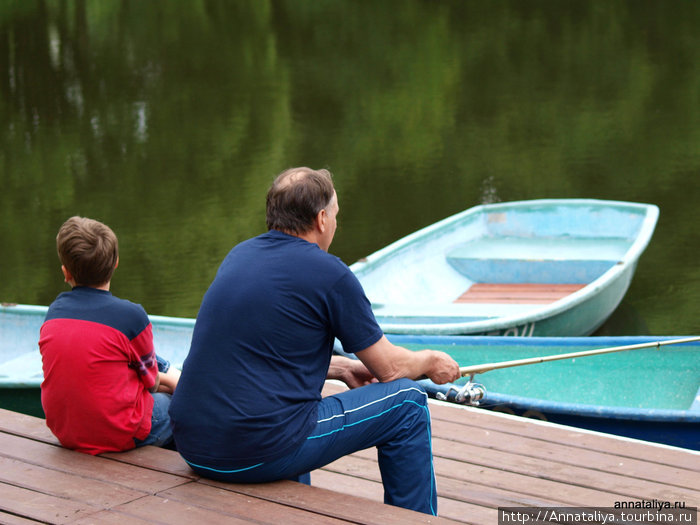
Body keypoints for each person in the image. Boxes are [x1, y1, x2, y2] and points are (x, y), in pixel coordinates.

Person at [169, 167, 460, 515]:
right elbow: (392, 370)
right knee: (407, 404)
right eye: (336, 214)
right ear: (321, 219)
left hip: (194, 447)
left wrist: (339, 368)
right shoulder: (330, 273)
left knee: (292, 406)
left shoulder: (240, 255)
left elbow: (259, 353)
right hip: (254, 453)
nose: (336, 223)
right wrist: (430, 361)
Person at [39, 216, 180, 455]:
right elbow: (152, 383)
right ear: (115, 264)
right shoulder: (132, 316)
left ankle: (175, 377)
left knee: (148, 359)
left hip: (66, 432)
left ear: (65, 272)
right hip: (118, 432)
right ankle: (183, 383)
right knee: (176, 406)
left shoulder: (53, 313)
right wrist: (167, 382)